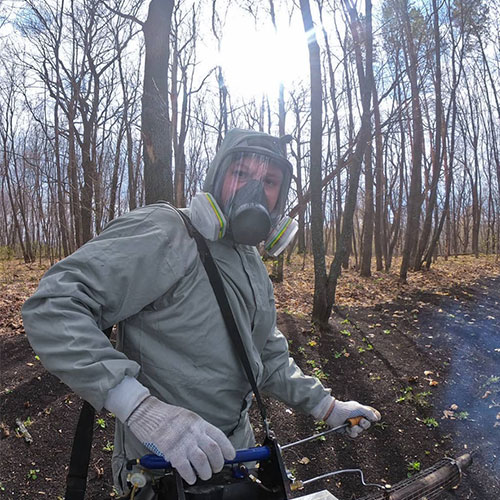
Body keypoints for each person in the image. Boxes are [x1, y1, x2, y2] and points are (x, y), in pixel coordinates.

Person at [22, 128, 380, 499]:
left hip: (236, 455)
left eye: (269, 181)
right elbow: (53, 306)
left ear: (280, 197)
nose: (255, 190)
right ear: (217, 177)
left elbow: (267, 357)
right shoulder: (166, 232)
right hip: (163, 464)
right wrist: (141, 409)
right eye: (241, 174)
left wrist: (328, 406)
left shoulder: (252, 262)